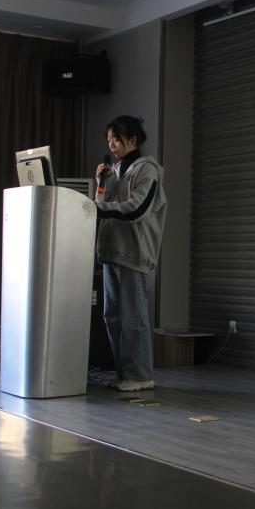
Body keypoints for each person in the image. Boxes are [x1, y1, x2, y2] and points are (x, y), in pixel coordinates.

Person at [94, 115, 167, 392]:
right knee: (112, 316)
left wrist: (100, 207)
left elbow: (137, 209)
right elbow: (102, 203)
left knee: (133, 317)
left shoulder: (148, 170)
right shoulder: (115, 169)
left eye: (116, 139)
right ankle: (125, 374)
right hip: (111, 251)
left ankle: (140, 375)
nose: (111, 144)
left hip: (133, 253)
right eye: (109, 140)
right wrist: (100, 182)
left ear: (133, 139)